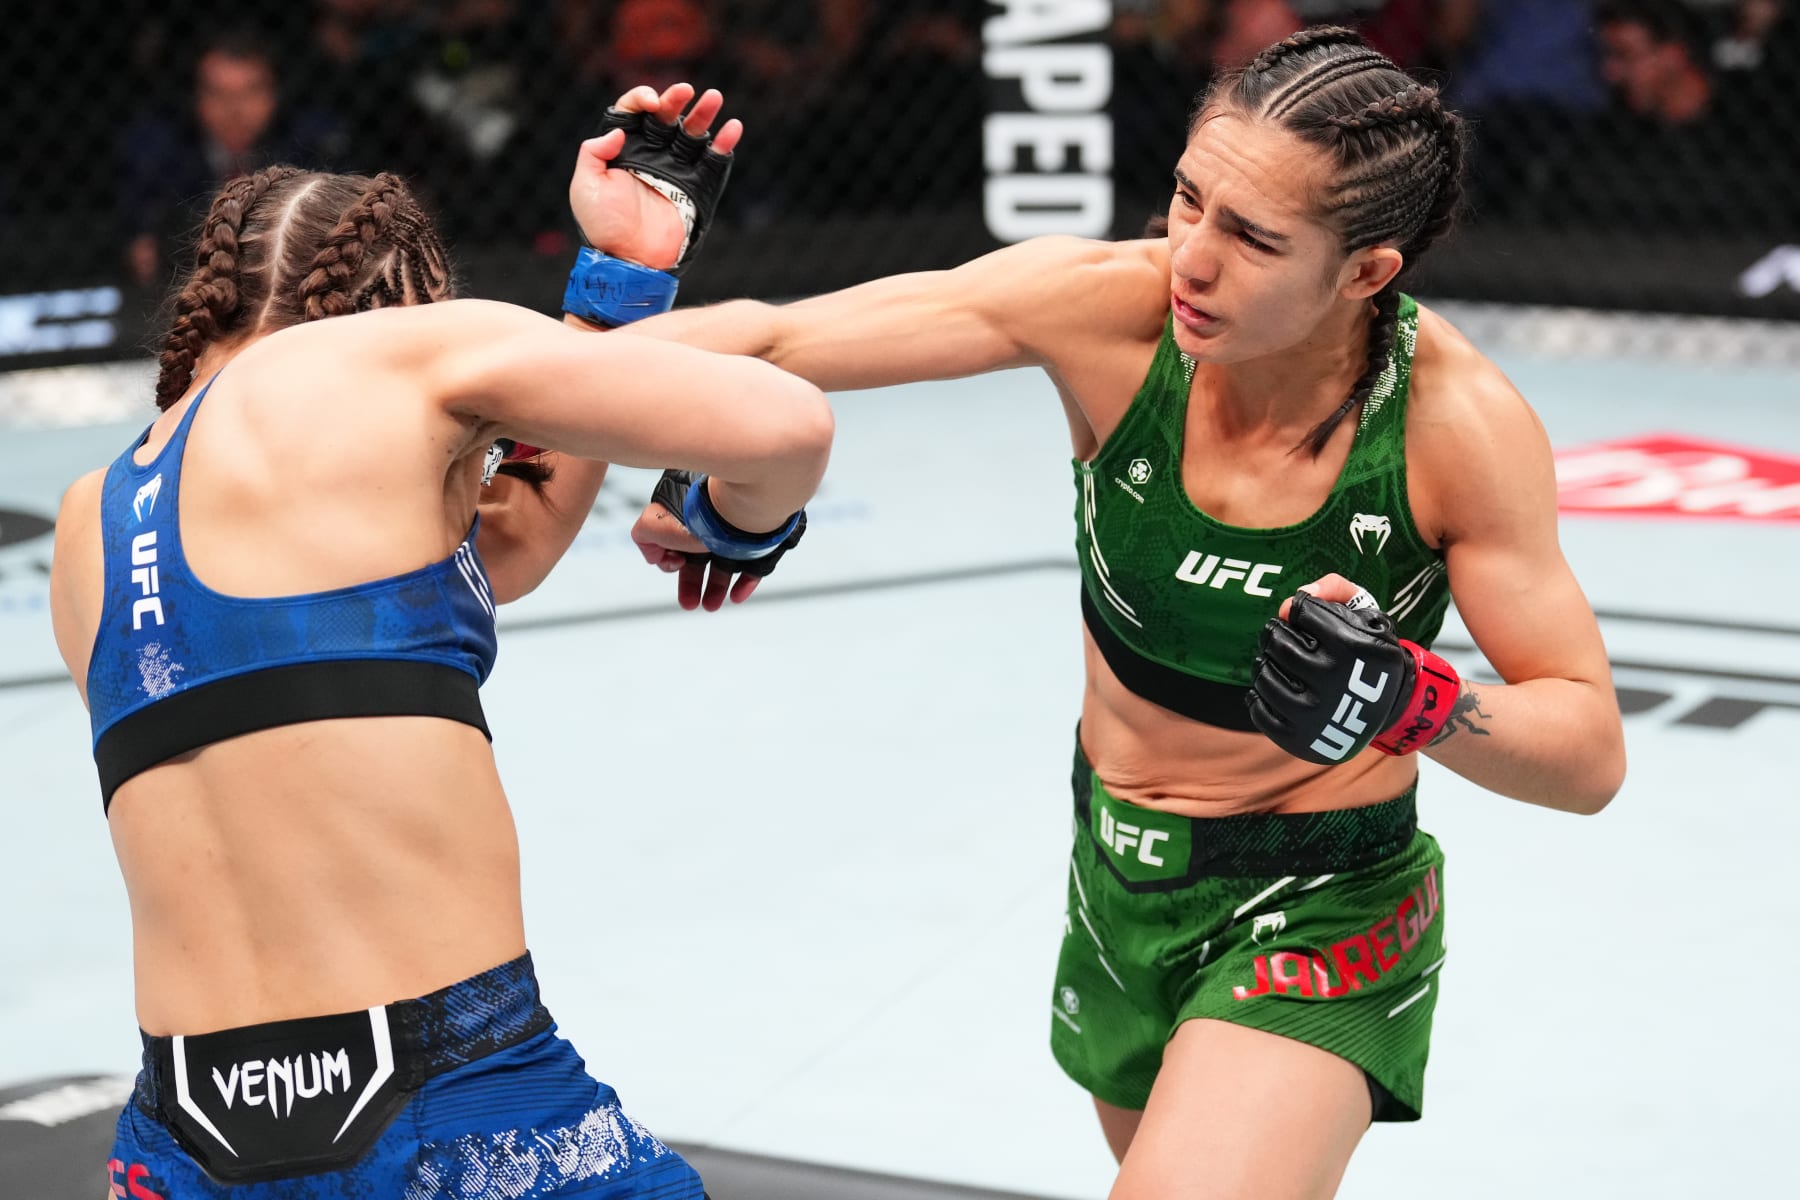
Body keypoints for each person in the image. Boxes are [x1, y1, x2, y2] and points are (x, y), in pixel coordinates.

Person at [596, 27, 1626, 1198]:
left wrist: (1412, 699)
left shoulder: (1455, 429)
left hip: (1323, 901)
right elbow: (778, 339)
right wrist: (543, 328)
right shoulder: (1105, 311)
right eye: (1189, 199)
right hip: (1117, 873)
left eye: (1253, 238)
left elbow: (1588, 751)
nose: (1192, 258)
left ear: (1365, 272)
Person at [52, 83, 830, 1197]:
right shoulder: (398, 356)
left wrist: (621, 280)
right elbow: (788, 425)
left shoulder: (92, 520)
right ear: (400, 299)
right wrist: (734, 522)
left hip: (182, 1142)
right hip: (452, 1103)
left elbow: (477, 559)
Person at [119, 30, 344, 287]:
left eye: (251, 91)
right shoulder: (162, 156)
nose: (234, 110)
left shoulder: (310, 149)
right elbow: (140, 244)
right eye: (218, 93)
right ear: (195, 98)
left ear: (275, 96)